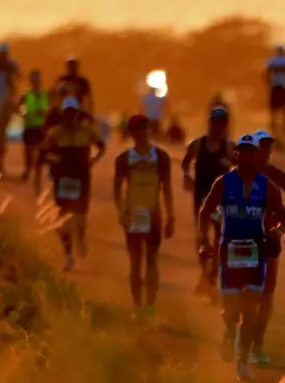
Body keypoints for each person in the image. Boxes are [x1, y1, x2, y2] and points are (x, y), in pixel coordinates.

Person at [198, 134, 285, 381]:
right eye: (243, 152)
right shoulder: (223, 183)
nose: (248, 157)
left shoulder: (268, 186)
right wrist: (204, 240)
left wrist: (276, 233)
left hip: (256, 251)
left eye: (252, 152)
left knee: (250, 310)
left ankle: (244, 358)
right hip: (229, 248)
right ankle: (230, 332)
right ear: (237, 154)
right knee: (230, 310)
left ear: (257, 155)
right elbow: (205, 211)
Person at [249, 129, 285, 364]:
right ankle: (238, 331)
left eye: (267, 148)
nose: (263, 153)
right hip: (244, 238)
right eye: (259, 148)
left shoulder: (276, 175)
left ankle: (258, 343)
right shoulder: (238, 176)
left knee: (267, 294)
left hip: (270, 239)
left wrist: (282, 218)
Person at [113, 114, 176, 321]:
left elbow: (167, 188)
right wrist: (122, 212)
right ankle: (138, 306)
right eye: (137, 130)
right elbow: (117, 190)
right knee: (135, 262)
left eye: (144, 129)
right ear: (131, 133)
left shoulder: (162, 158)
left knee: (150, 261)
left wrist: (171, 216)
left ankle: (149, 307)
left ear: (149, 131)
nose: (141, 134)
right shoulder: (123, 160)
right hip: (133, 215)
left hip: (153, 215)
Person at [36, 97, 107, 271]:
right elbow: (43, 153)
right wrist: (55, 161)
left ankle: (81, 236)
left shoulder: (86, 131)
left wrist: (93, 160)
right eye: (67, 113)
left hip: (82, 177)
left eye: (72, 113)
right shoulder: (56, 133)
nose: (70, 116)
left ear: (77, 114)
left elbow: (101, 146)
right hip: (63, 179)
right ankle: (68, 255)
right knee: (63, 218)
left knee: (81, 215)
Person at [183, 107, 236, 298]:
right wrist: (186, 176)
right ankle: (206, 274)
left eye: (222, 122)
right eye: (215, 121)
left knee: (220, 238)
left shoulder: (229, 147)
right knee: (202, 237)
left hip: (221, 198)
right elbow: (185, 162)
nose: (218, 125)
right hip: (201, 197)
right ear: (210, 122)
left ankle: (211, 277)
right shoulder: (198, 145)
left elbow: (242, 167)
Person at [19, 70, 49, 182]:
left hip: (41, 127)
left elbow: (49, 108)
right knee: (29, 152)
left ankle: (37, 175)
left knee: (40, 152)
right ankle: (28, 170)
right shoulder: (26, 95)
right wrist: (25, 114)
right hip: (30, 126)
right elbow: (20, 108)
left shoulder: (45, 94)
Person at [265, 45, 285, 140]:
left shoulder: (272, 61)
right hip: (283, 87)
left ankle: (273, 131)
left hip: (275, 87)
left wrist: (269, 83)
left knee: (274, 110)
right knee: (283, 110)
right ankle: (284, 130)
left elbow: (266, 74)